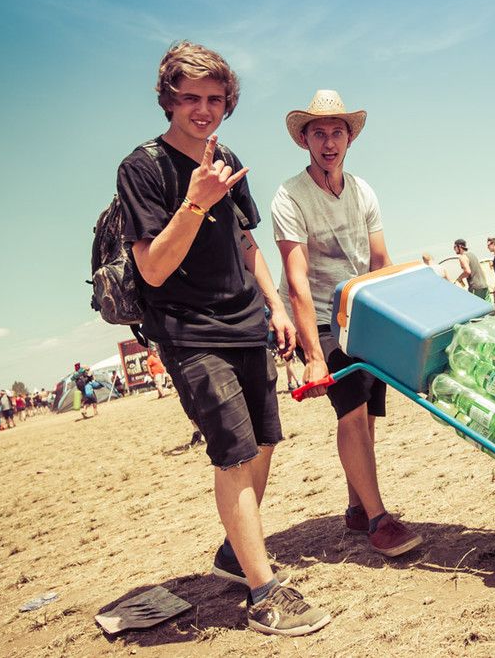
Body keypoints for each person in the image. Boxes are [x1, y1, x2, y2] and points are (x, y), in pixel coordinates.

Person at [117, 41, 329, 636]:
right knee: (233, 452)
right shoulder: (142, 168)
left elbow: (245, 240)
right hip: (189, 331)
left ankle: (236, 555)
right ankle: (264, 593)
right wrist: (194, 201)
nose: (203, 109)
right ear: (168, 99)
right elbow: (152, 268)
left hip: (247, 321)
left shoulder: (226, 156)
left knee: (262, 443)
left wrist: (276, 305)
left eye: (214, 98)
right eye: (190, 98)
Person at [273, 89, 424, 559]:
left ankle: (358, 507)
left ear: (349, 138)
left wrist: (399, 320)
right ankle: (379, 520)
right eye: (318, 132)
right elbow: (297, 281)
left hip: (360, 310)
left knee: (368, 412)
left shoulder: (363, 191)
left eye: (337, 132)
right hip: (318, 316)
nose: (329, 142)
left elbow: (379, 259)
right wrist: (313, 356)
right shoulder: (289, 196)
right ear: (304, 140)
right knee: (351, 411)